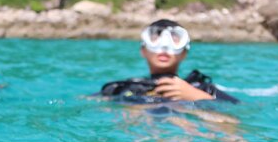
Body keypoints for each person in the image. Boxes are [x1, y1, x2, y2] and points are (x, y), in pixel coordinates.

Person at [100, 19, 238, 103]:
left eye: (175, 39)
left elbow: (238, 109)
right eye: (155, 38)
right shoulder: (123, 88)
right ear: (143, 50)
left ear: (184, 53)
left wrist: (196, 96)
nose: (164, 47)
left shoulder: (202, 89)